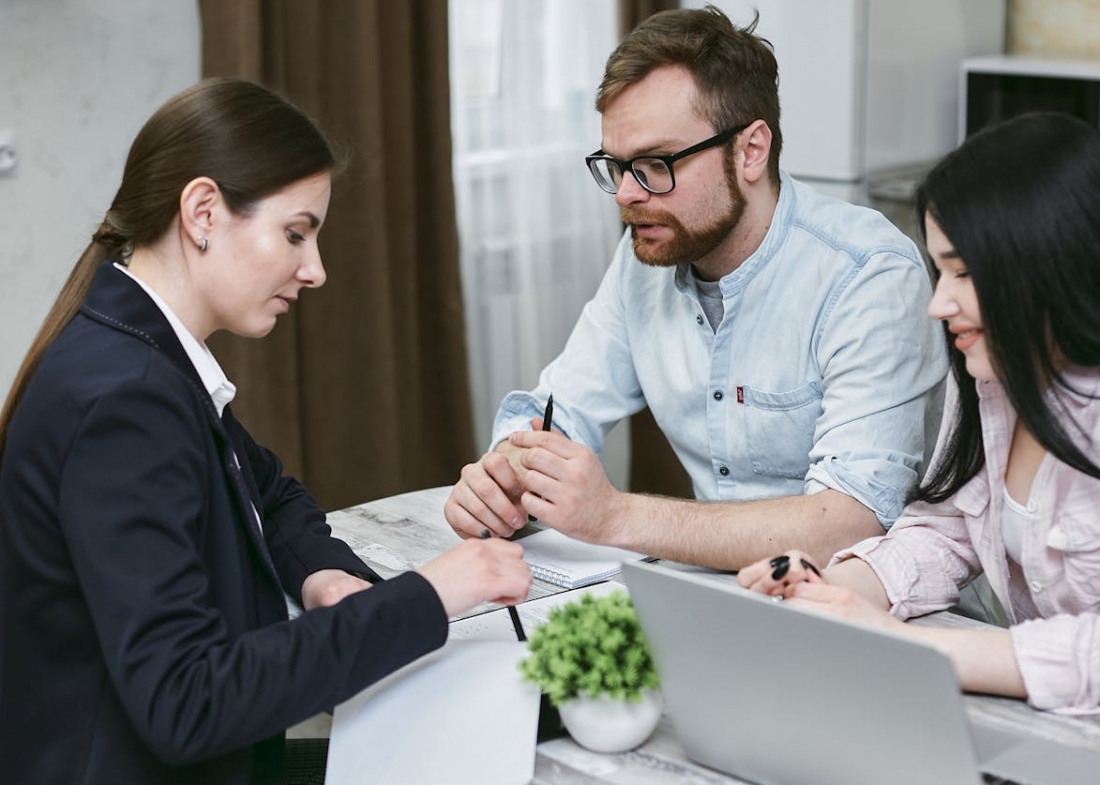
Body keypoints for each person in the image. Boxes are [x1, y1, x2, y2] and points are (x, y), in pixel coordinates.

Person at [0, 77, 532, 784]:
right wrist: (430, 595)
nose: (314, 270)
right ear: (203, 212)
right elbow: (187, 702)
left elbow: (268, 491)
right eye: (295, 234)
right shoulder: (127, 401)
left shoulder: (140, 350)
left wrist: (322, 573)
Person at [444, 4, 947, 569]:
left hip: (872, 609)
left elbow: (853, 519)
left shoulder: (868, 274)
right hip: (719, 599)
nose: (625, 195)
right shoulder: (646, 260)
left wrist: (616, 517)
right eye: (616, 165)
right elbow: (559, 410)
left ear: (751, 151)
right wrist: (506, 472)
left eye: (656, 163)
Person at [738, 111, 1100, 714]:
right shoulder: (993, 376)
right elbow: (947, 529)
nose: (938, 303)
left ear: (1046, 264)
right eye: (940, 271)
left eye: (963, 272)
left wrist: (907, 645)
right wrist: (837, 592)